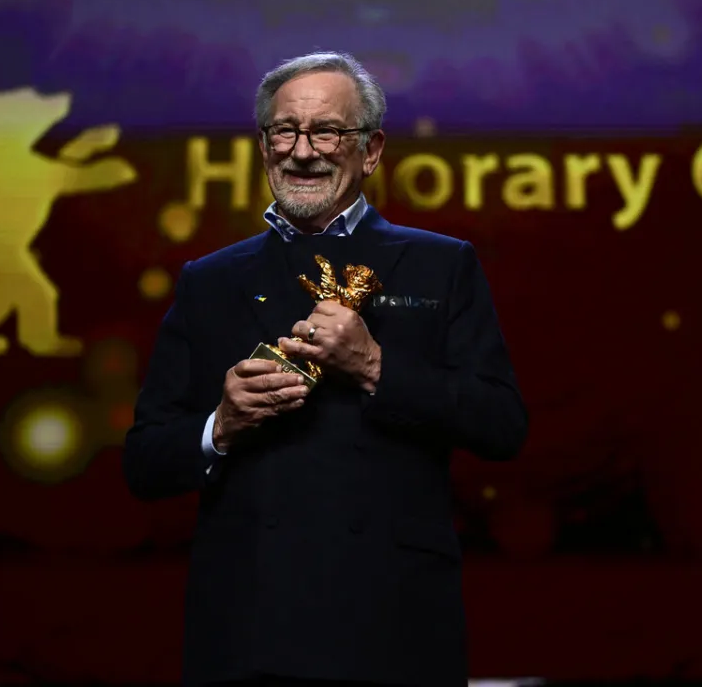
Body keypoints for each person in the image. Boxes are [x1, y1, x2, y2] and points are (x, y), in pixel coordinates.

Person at [123, 51, 528, 687]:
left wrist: (372, 366)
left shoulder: (440, 266)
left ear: (370, 150)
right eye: (285, 130)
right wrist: (220, 426)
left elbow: (502, 425)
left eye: (328, 132)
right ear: (264, 146)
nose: (303, 150)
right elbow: (144, 462)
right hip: (250, 624)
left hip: (393, 620)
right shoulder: (210, 281)